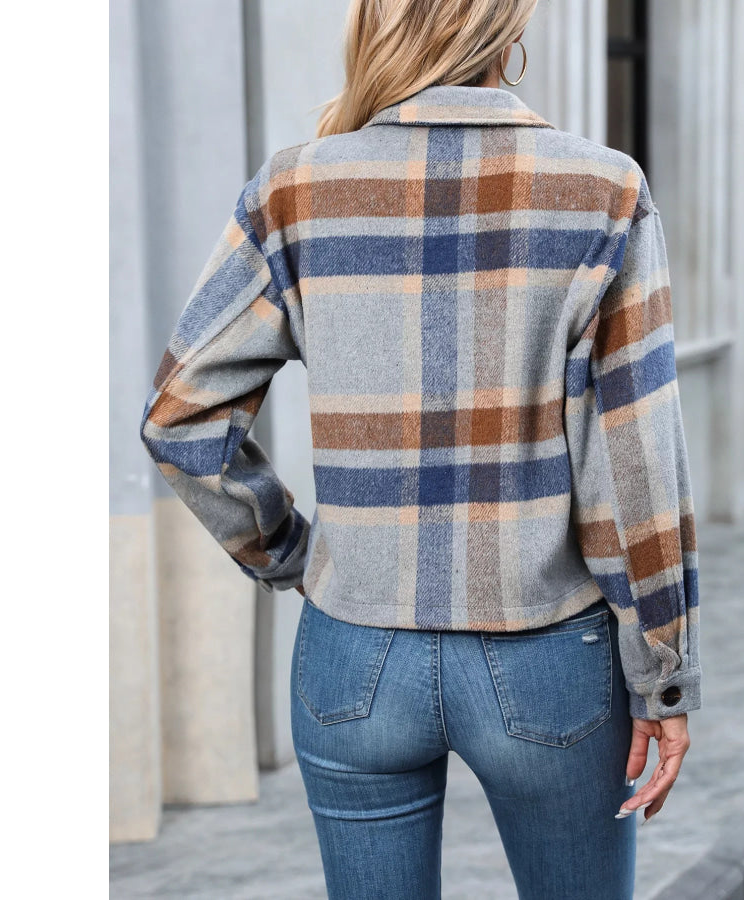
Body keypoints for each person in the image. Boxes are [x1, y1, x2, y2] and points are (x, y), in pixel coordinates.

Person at [139, 1, 702, 897]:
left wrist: (294, 554)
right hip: (544, 652)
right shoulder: (603, 192)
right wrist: (662, 673)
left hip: (353, 652)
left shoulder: (293, 191)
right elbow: (636, 468)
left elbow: (181, 418)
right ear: (508, 34)